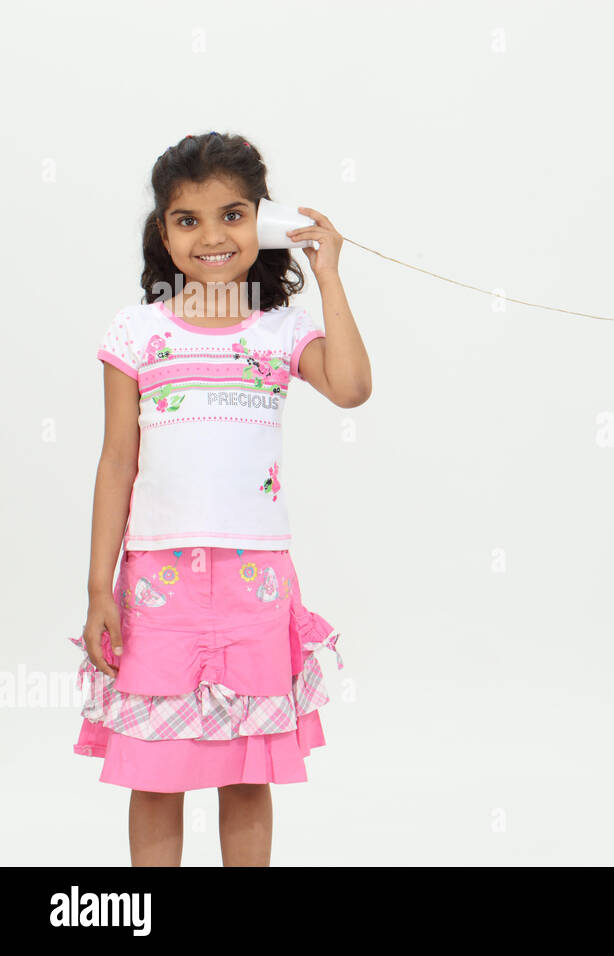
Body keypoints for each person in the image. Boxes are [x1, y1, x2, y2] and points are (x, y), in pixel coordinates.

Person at [70, 131, 372, 866]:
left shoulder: (279, 331)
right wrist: (98, 587)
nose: (212, 236)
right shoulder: (136, 332)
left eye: (233, 215)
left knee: (245, 771)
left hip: (253, 580)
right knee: (156, 765)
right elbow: (117, 462)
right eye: (188, 220)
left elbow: (352, 387)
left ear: (261, 221)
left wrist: (328, 276)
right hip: (158, 583)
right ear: (164, 232)